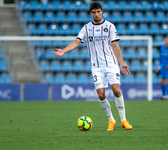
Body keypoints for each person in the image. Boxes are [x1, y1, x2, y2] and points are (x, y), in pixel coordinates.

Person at [52, 1, 132, 131]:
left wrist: (121, 63)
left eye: (98, 11)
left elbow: (115, 46)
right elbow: (76, 42)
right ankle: (111, 120)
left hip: (111, 64)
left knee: (116, 90)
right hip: (96, 67)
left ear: (102, 11)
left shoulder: (110, 26)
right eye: (94, 12)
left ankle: (124, 120)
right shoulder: (86, 28)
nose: (96, 14)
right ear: (91, 13)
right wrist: (64, 51)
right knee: (101, 94)